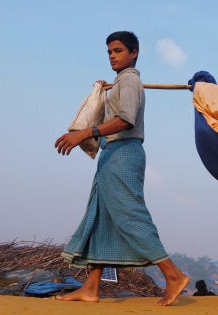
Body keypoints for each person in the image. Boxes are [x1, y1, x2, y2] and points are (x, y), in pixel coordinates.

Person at [54, 31, 189, 306]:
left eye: (117, 51)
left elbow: (125, 120)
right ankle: (91, 288)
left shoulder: (129, 81)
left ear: (134, 53)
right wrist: (107, 92)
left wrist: (84, 133)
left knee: (130, 215)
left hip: (123, 155)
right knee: (101, 217)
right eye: (109, 52)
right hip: (111, 154)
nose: (112, 56)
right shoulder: (120, 83)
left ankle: (173, 275)